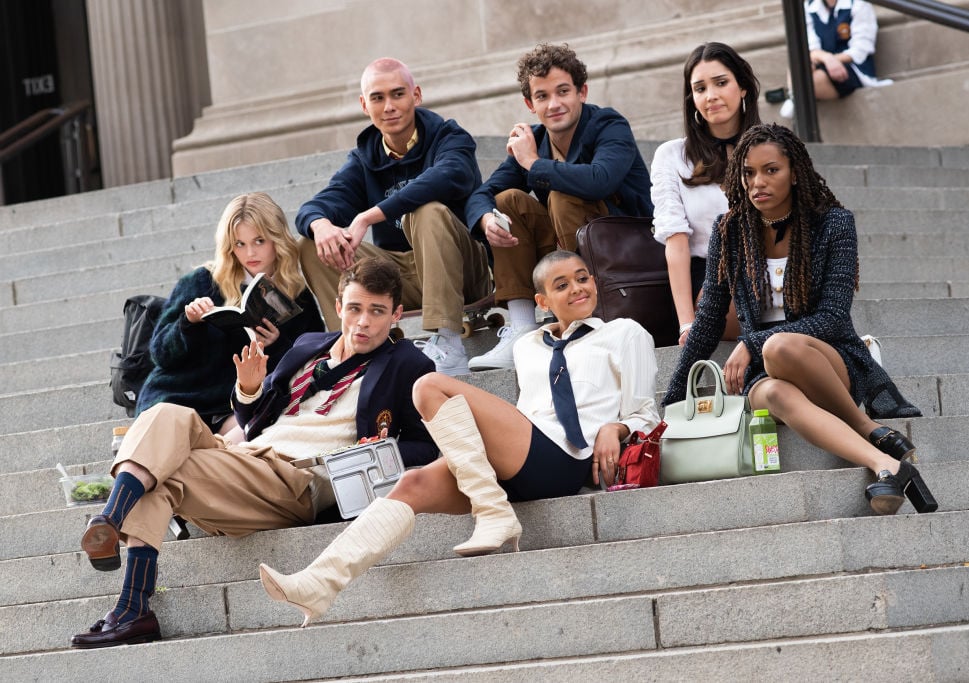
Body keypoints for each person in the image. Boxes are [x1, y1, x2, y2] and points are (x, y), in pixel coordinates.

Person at [257, 250, 660, 627]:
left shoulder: (625, 333)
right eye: (561, 285)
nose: (576, 288)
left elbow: (646, 411)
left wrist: (617, 427)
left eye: (582, 278)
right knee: (411, 483)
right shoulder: (527, 347)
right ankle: (318, 586)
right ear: (541, 301)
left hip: (568, 458)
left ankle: (494, 513)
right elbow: (526, 412)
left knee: (429, 386)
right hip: (522, 453)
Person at [72, 257, 438, 648]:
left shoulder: (409, 364)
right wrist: (248, 389)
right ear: (338, 307)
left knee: (164, 471)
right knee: (164, 415)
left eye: (377, 311)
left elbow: (427, 443)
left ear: (396, 313)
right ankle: (120, 559)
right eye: (355, 308)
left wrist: (382, 446)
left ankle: (128, 591)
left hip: (295, 479)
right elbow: (257, 416)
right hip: (247, 457)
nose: (363, 321)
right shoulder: (310, 345)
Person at [664, 123, 936, 516]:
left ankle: (863, 424)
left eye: (770, 170)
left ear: (794, 172)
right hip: (765, 373)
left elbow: (832, 317)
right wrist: (671, 401)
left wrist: (752, 342)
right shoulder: (731, 231)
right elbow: (707, 321)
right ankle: (886, 462)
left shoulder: (833, 224)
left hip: (826, 360)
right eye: (748, 173)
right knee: (773, 393)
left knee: (779, 345)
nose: (758, 182)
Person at [295, 57, 491, 376]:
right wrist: (320, 225)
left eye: (398, 94)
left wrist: (368, 217)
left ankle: (450, 344)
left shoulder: (449, 137)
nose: (389, 106)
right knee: (310, 244)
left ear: (416, 95)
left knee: (427, 211)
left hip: (461, 269)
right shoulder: (364, 159)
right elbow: (316, 206)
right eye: (377, 97)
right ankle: (351, 348)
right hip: (399, 274)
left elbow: (449, 175)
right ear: (364, 104)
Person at [464, 43, 654, 371]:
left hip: (627, 253)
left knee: (562, 195)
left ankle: (587, 315)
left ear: (582, 91)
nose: (554, 104)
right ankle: (523, 329)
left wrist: (532, 163)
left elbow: (601, 180)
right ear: (530, 103)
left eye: (563, 91)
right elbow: (484, 193)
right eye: (542, 96)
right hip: (568, 251)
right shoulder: (535, 142)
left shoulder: (609, 125)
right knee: (506, 203)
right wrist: (484, 218)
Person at [136, 192, 324, 440]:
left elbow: (314, 365)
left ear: (276, 239)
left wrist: (276, 346)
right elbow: (160, 354)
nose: (250, 253)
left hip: (239, 406)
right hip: (180, 396)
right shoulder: (202, 281)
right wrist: (188, 324)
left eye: (259, 241)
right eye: (240, 244)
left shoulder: (296, 295)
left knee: (254, 431)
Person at [651, 42, 760, 346]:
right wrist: (687, 323)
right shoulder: (672, 156)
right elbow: (675, 240)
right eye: (700, 88)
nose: (710, 95)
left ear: (743, 88)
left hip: (772, 270)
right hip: (711, 279)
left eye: (721, 83)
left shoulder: (773, 148)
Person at [781, 0, 891, 116]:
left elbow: (860, 50)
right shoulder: (809, 7)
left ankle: (795, 97)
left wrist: (833, 61)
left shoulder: (858, 4)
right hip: (821, 62)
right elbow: (811, 48)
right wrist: (828, 59)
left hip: (854, 68)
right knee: (798, 63)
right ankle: (795, 96)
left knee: (816, 79)